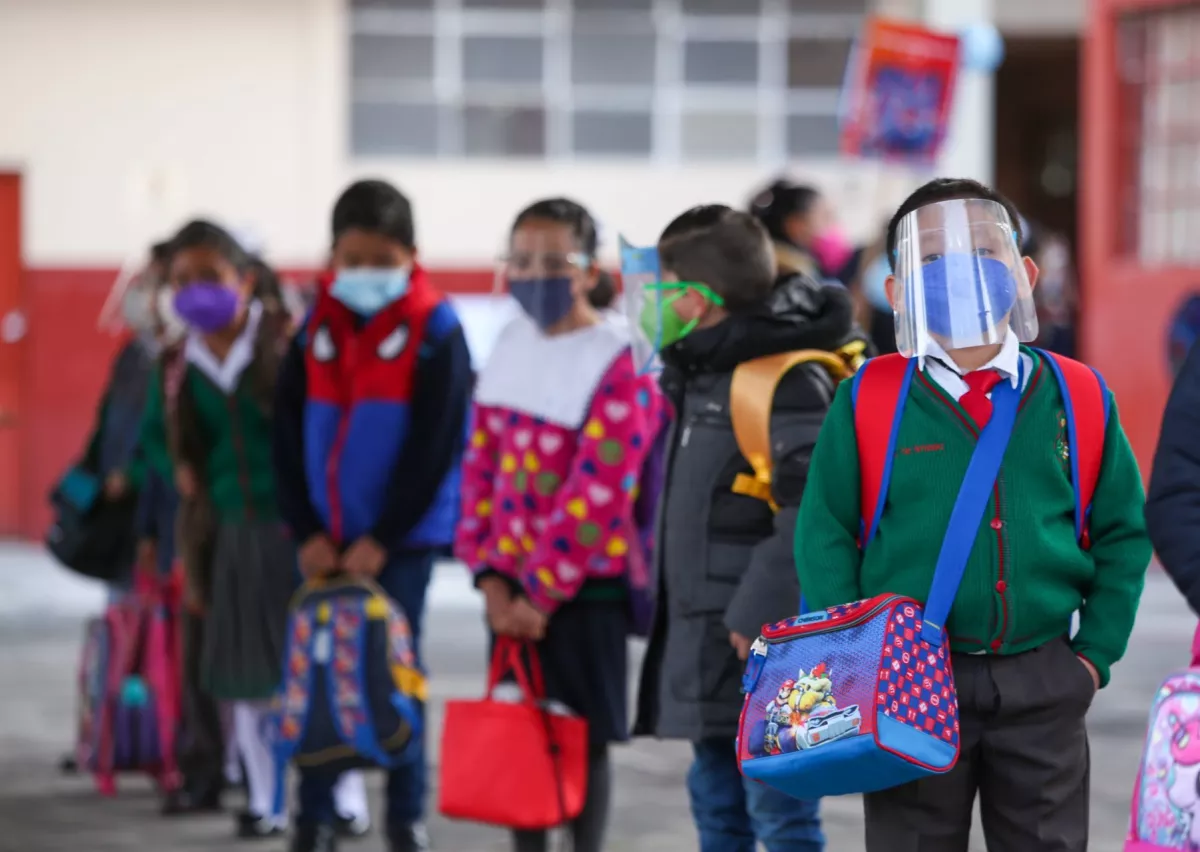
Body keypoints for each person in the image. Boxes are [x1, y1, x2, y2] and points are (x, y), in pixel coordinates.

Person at [793, 178, 1152, 852]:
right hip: (905, 685)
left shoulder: (1077, 393)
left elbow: (1123, 533)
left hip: (1045, 676)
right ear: (894, 290)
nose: (958, 267)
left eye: (983, 250)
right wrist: (854, 662)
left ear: (1025, 274)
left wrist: (1093, 657)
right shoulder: (868, 399)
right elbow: (826, 534)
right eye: (930, 258)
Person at [629, 204, 864, 852]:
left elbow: (814, 505)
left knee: (780, 813)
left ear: (698, 300)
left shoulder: (780, 378)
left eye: (660, 286)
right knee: (715, 802)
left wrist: (761, 606)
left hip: (761, 642)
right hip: (708, 633)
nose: (647, 301)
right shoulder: (701, 370)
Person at [455, 198, 666, 852]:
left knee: (581, 741)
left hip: (582, 594)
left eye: (553, 261)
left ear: (587, 269)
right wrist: (490, 580)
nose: (533, 274)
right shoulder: (509, 344)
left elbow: (600, 491)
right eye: (520, 260)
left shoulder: (619, 357)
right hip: (509, 593)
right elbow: (479, 466)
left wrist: (540, 593)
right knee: (520, 733)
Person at [273, 179, 473, 852]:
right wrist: (306, 531)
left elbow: (436, 445)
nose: (362, 274)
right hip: (320, 546)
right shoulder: (312, 328)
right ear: (331, 255)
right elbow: (284, 431)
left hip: (399, 548)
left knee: (395, 679)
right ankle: (314, 817)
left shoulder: (437, 329)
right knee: (316, 678)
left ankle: (403, 818)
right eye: (349, 259)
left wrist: (382, 539)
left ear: (411, 254)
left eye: (378, 261)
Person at [139, 220, 296, 839]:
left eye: (211, 276)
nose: (195, 291)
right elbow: (157, 437)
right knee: (243, 674)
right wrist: (176, 468)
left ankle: (337, 797)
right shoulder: (178, 364)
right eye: (182, 280)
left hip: (292, 531)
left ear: (246, 280)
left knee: (305, 669)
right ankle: (264, 798)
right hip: (225, 532)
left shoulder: (285, 343)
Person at [748, 179, 851, 282]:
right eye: (825, 217)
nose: (832, 225)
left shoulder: (769, 261)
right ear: (796, 225)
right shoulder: (792, 273)